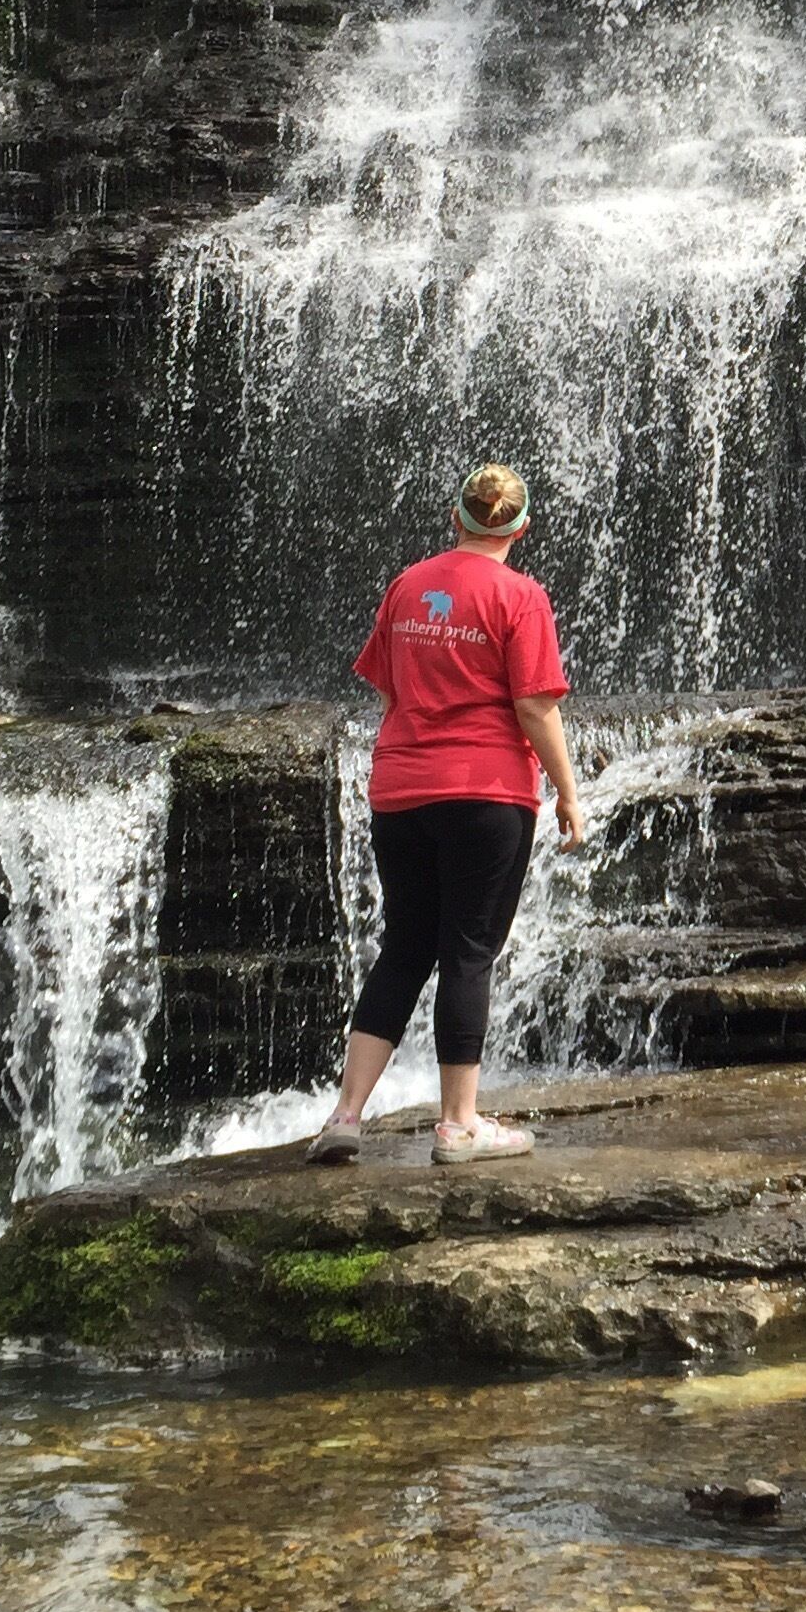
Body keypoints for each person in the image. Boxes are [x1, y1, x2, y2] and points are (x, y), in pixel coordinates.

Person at [307, 462, 586, 1167]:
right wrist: (568, 792)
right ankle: (459, 1125)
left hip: (401, 792)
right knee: (468, 950)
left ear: (455, 517)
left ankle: (343, 1117)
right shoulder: (521, 596)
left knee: (406, 945)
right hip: (486, 793)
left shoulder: (409, 586)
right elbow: (534, 706)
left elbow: (388, 684)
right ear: (520, 527)